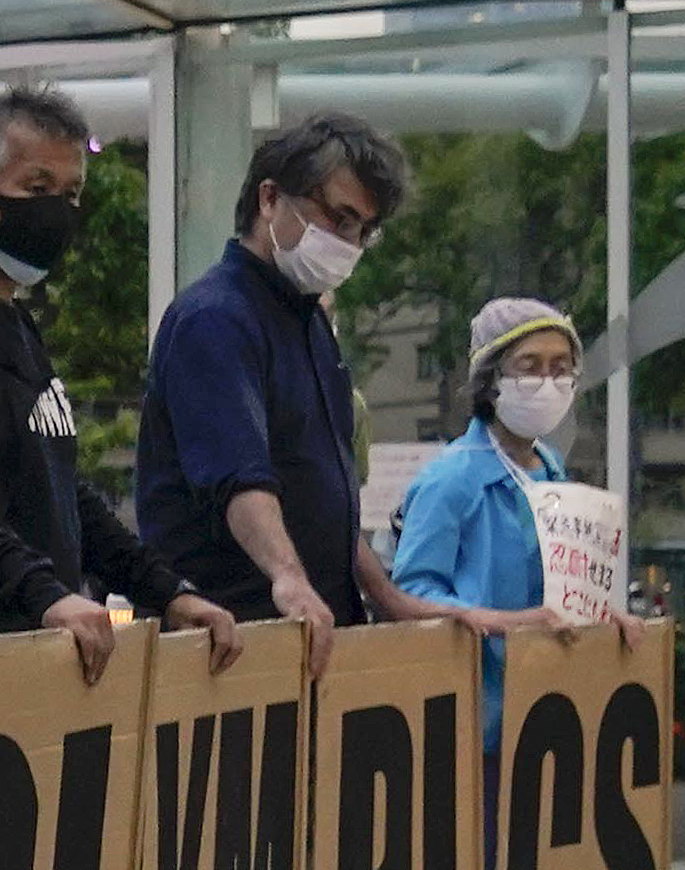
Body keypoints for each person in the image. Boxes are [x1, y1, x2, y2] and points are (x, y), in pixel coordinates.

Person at [0, 85, 239, 681]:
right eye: (36, 189)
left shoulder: (14, 322)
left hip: (26, 666)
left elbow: (58, 490)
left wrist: (168, 591)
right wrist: (43, 593)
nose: (57, 211)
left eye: (70, 193)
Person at [137, 110, 448, 685]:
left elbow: (322, 491)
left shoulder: (307, 324)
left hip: (309, 635)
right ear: (269, 198)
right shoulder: (215, 319)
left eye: (363, 230)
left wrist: (384, 594)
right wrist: (290, 577)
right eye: (337, 217)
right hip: (231, 644)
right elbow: (240, 477)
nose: (347, 242)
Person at [389, 294, 585, 741]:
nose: (547, 381)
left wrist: (607, 622)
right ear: (490, 380)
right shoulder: (450, 480)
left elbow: (567, 587)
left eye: (561, 367)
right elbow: (410, 594)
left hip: (548, 714)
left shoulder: (551, 470)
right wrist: (499, 622)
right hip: (473, 725)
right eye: (529, 366)